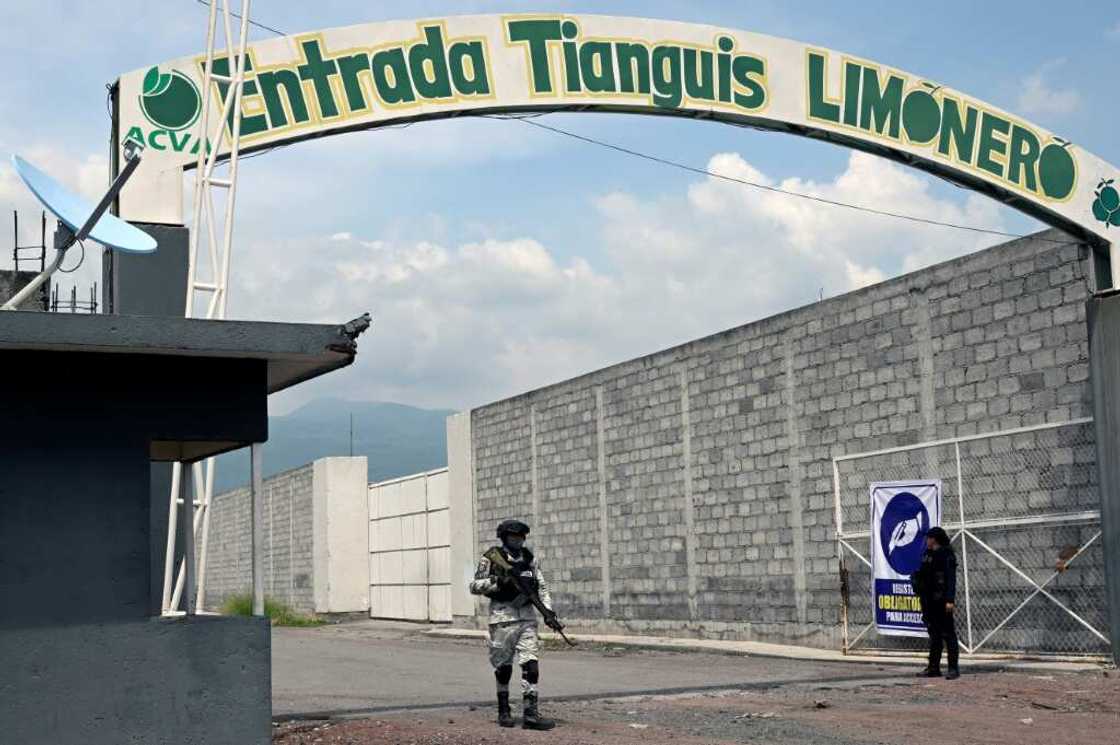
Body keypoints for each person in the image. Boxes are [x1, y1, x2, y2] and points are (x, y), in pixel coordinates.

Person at [469, 519, 557, 730]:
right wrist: (497, 582)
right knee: (503, 668)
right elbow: (474, 586)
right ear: (504, 538)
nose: (517, 540)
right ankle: (504, 711)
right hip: (502, 620)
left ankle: (530, 714)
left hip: (527, 618)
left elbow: (541, 587)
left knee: (531, 665)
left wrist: (548, 612)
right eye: (512, 537)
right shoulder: (490, 558)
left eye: (520, 537)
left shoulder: (529, 559)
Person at [911, 526, 960, 680]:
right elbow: (923, 575)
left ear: (934, 539)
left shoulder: (946, 555)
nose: (926, 540)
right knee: (934, 635)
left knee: (948, 634)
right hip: (928, 600)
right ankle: (933, 667)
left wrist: (950, 600)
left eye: (929, 538)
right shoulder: (928, 554)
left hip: (942, 601)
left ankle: (953, 668)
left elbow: (950, 579)